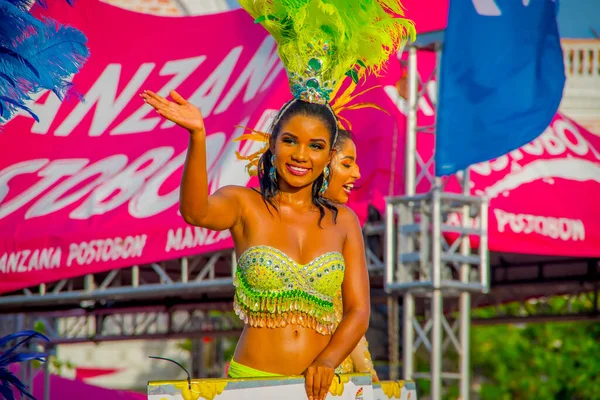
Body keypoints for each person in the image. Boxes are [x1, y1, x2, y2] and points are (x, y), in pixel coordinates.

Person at [142, 2, 414, 399]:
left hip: (324, 386)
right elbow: (195, 211)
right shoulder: (243, 205)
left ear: (328, 157)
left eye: (316, 146)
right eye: (290, 141)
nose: (301, 155)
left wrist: (326, 361)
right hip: (251, 383)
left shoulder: (343, 221)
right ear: (271, 145)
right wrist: (197, 136)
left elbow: (358, 312)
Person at [324, 130, 379, 382]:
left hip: (334, 377)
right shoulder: (261, 212)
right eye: (347, 164)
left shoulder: (344, 223)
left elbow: (356, 313)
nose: (357, 174)